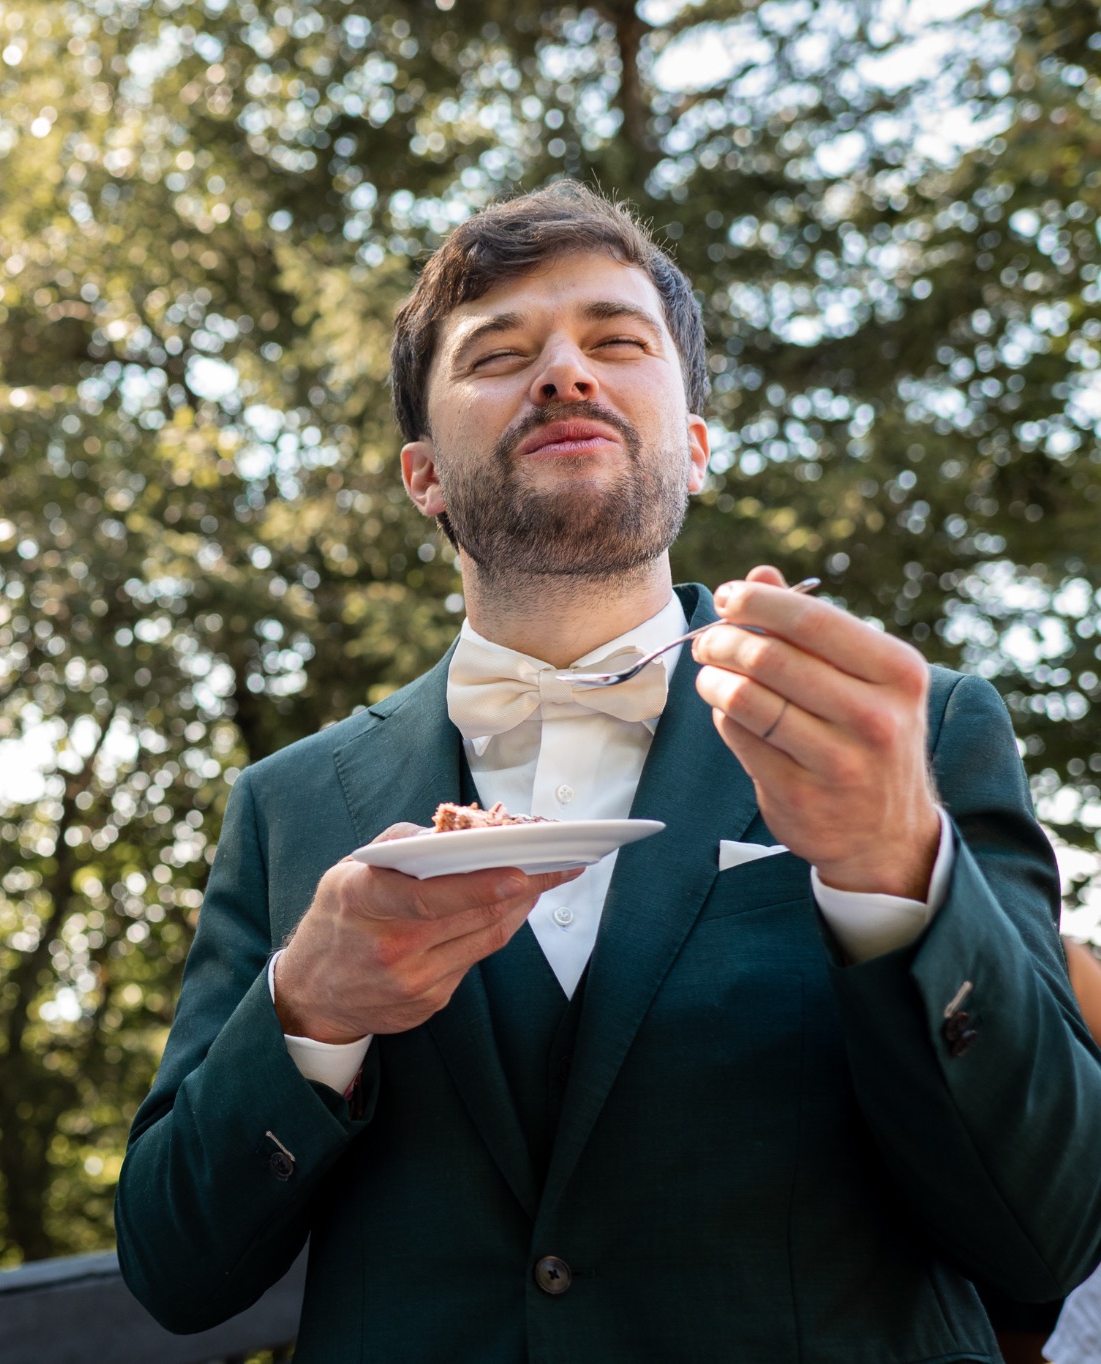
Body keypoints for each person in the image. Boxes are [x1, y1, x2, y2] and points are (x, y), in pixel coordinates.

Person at [115, 180, 1101, 1360]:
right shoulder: (286, 805)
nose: (564, 374)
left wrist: (897, 868)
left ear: (692, 447)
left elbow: (1052, 1232)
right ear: (422, 475)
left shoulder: (917, 733)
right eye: (498, 353)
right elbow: (172, 1264)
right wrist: (309, 1012)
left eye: (614, 341)